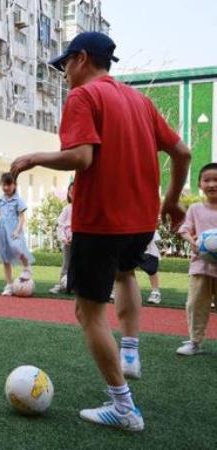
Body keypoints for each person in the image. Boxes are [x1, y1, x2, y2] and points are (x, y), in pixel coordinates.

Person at [10, 31, 190, 431]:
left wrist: (32, 158)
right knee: (126, 274)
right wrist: (173, 200)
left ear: (82, 58)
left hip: (99, 221)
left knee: (88, 312)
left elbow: (80, 157)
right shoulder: (140, 100)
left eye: (64, 65)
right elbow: (183, 152)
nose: (63, 74)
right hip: (141, 221)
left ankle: (123, 407)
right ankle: (129, 349)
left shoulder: (83, 97)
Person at [176, 163, 217, 355]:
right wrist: (192, 241)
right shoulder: (195, 208)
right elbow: (184, 229)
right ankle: (194, 342)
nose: (212, 184)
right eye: (207, 180)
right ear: (200, 184)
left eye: (216, 180)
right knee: (195, 305)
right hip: (200, 266)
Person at [0, 173, 34, 296]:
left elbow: (22, 217)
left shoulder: (18, 200)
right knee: (5, 257)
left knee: (18, 249)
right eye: (3, 184)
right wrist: (4, 222)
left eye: (8, 184)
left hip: (14, 229)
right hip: (1, 230)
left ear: (14, 185)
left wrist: (17, 230)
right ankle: (9, 285)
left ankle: (27, 268)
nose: (6, 187)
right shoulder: (0, 200)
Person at [50, 182, 73, 294]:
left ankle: (80, 286)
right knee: (66, 264)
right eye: (71, 191)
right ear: (68, 194)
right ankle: (62, 284)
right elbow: (60, 225)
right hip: (67, 243)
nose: (73, 193)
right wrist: (64, 238)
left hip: (80, 242)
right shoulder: (67, 209)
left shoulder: (84, 208)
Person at [141, 232, 163, 305]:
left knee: (151, 270)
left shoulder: (154, 232)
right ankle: (116, 290)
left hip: (150, 253)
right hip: (135, 251)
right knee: (124, 268)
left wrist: (161, 250)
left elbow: (161, 246)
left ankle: (155, 292)